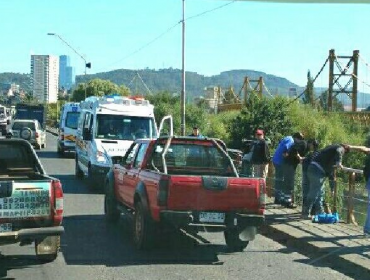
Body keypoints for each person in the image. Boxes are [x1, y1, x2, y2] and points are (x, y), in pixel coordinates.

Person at [302, 144, 350, 219]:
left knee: (320, 193)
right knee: (314, 193)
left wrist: (332, 188)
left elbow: (330, 174)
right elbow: (339, 151)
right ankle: (305, 213)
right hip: (317, 170)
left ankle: (320, 212)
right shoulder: (339, 148)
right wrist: (339, 162)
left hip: (313, 169)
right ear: (345, 150)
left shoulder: (330, 152)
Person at [272, 132, 304, 204]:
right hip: (280, 161)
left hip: (275, 159)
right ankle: (279, 199)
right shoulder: (291, 141)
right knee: (281, 180)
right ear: (297, 138)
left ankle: (277, 198)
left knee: (278, 179)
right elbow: (285, 152)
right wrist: (290, 158)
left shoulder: (287, 137)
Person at [281, 137, 307, 208]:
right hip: (290, 165)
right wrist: (299, 158)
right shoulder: (304, 144)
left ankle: (284, 200)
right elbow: (295, 150)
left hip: (287, 163)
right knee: (290, 183)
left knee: (286, 182)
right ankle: (288, 202)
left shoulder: (296, 142)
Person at [301, 139, 320, 212]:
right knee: (313, 191)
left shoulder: (310, 154)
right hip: (314, 175)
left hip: (306, 173)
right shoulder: (318, 154)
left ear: (312, 145)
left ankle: (305, 209)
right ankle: (313, 210)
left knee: (306, 191)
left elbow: (305, 162)